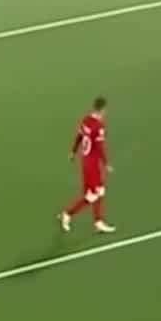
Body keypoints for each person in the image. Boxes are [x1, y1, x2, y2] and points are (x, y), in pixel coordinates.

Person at [60, 97, 116, 233]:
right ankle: (67, 214)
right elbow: (99, 146)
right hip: (92, 165)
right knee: (91, 196)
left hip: (85, 161)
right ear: (103, 109)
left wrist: (73, 151)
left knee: (100, 190)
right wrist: (106, 164)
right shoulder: (98, 126)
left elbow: (79, 136)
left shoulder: (86, 120)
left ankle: (98, 222)